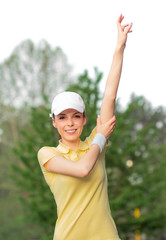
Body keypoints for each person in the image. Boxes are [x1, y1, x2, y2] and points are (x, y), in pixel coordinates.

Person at [38, 14, 132, 240]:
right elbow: (82, 170)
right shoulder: (47, 154)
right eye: (62, 117)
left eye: (76, 116)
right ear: (54, 122)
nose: (70, 123)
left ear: (83, 120)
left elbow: (109, 97)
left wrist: (119, 47)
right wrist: (100, 139)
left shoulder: (94, 143)